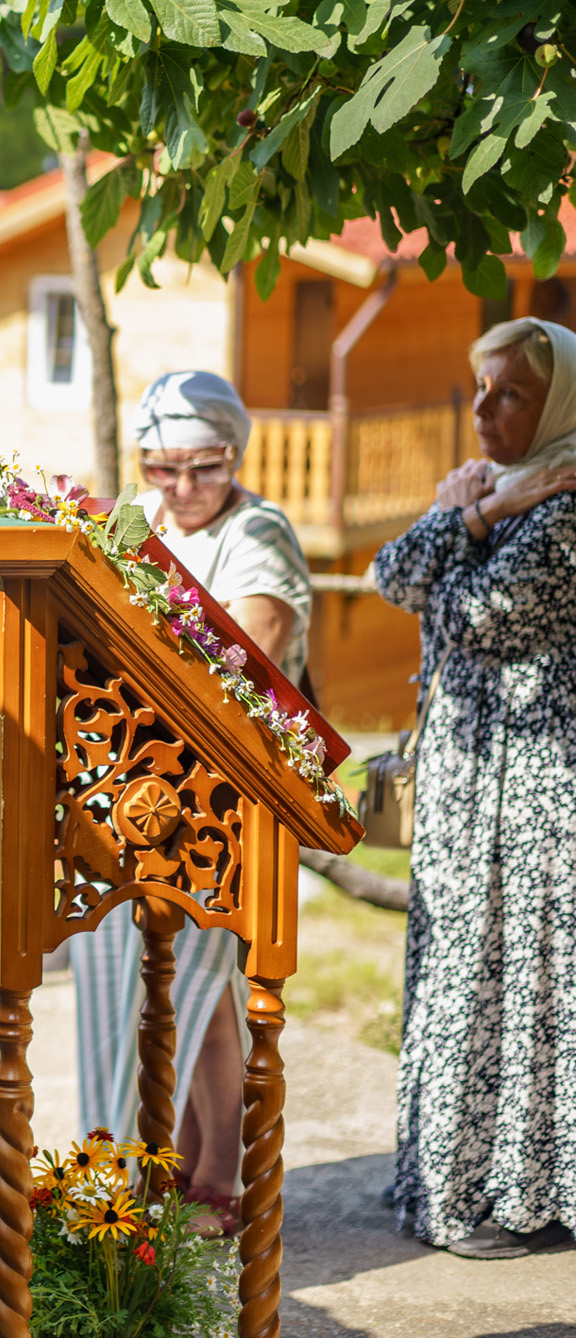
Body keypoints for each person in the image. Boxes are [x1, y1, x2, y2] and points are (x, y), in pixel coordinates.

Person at [69, 370, 312, 1237]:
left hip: (229, 791)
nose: (179, 490)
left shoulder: (260, 530)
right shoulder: (136, 519)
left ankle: (221, 1172)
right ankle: (184, 1162)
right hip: (142, 788)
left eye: (201, 469)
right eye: (161, 468)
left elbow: (249, 654)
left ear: (235, 455)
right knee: (181, 994)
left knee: (207, 992)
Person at [375, 317, 576, 1259]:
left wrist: (470, 520)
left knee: (507, 976)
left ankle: (493, 1195)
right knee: (458, 968)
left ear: (559, 405)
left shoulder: (570, 505)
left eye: (511, 395)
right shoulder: (504, 489)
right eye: (481, 388)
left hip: (527, 787)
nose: (483, 409)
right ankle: (444, 1181)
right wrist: (478, 513)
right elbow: (391, 575)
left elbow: (464, 618)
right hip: (467, 777)